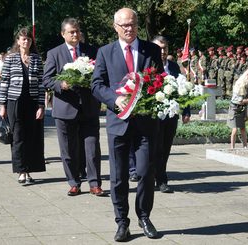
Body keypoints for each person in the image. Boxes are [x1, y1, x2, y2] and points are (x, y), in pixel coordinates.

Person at [91, 8, 164, 241]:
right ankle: (122, 222)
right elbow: (96, 85)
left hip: (145, 124)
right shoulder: (105, 52)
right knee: (118, 176)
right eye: (124, 25)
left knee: (145, 172)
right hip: (118, 122)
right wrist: (115, 99)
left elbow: (160, 80)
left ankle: (144, 216)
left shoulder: (151, 50)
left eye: (132, 24)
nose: (129, 28)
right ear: (116, 27)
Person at [43, 18, 103, 196]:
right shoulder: (54, 53)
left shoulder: (92, 51)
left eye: (77, 31)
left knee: (92, 148)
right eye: (71, 32)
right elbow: (47, 79)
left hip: (89, 108)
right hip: (65, 109)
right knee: (68, 150)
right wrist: (61, 85)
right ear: (63, 34)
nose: (75, 34)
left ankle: (94, 183)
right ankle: (74, 182)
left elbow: (100, 74)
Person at [0, 27, 46, 185]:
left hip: (32, 102)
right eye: (23, 39)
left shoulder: (36, 58)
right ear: (18, 41)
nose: (26, 41)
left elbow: (41, 84)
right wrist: (3, 105)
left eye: (29, 39)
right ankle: (21, 170)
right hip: (15, 102)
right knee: (18, 136)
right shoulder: (10, 58)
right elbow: (4, 82)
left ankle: (29, 170)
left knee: (31, 137)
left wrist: (41, 105)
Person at [152, 35, 190, 194]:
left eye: (165, 48)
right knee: (155, 147)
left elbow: (184, 89)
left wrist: (186, 111)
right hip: (153, 115)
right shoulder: (148, 65)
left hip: (171, 115)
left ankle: (161, 178)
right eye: (158, 48)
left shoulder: (175, 67)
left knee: (165, 146)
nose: (162, 51)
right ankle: (156, 178)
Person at [227, 67, 248, 149]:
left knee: (243, 128)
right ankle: (232, 147)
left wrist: (246, 112)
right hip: (235, 108)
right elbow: (240, 101)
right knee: (234, 129)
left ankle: (245, 146)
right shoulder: (240, 85)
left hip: (242, 108)